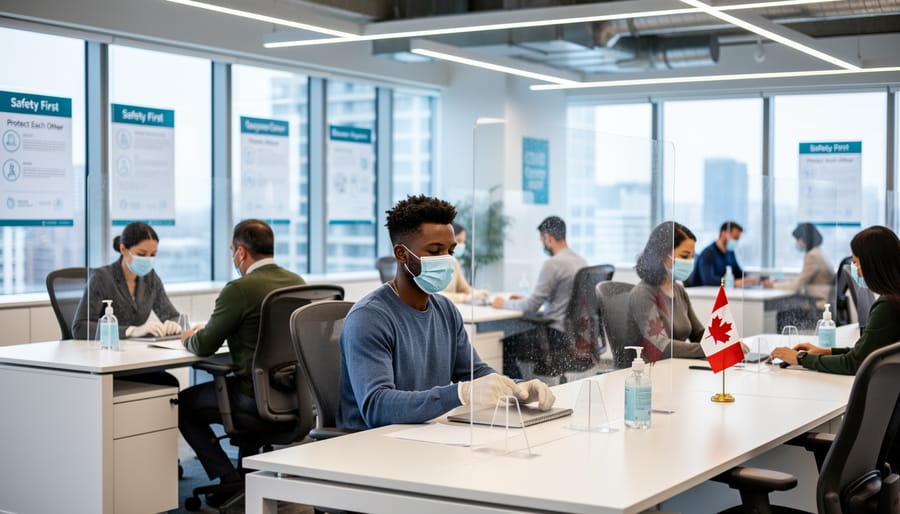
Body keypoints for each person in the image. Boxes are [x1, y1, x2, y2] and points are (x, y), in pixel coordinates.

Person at [338, 195, 555, 431]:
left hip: (423, 433)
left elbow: (475, 373)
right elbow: (377, 407)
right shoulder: (369, 318)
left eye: (450, 251)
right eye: (434, 251)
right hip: (370, 445)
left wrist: (518, 389)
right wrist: (460, 393)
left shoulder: (445, 310)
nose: (446, 260)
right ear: (401, 254)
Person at [177, 219, 306, 504]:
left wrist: (188, 336)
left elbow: (206, 344)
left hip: (253, 397)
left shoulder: (239, 289)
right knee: (237, 385)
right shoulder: (297, 282)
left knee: (182, 405)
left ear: (240, 252)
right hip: (293, 394)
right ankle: (245, 475)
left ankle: (229, 478)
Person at [771, 225, 900, 374]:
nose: (855, 270)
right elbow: (866, 352)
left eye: (857, 263)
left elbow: (854, 363)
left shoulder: (887, 305)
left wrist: (800, 358)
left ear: (873, 264)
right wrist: (825, 351)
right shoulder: (894, 298)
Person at [492, 215, 587, 378]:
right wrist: (524, 299)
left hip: (554, 336)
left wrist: (504, 303)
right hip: (575, 335)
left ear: (548, 238)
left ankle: (519, 391)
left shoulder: (553, 263)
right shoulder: (581, 262)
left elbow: (531, 306)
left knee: (504, 345)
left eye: (541, 240)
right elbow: (561, 298)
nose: (543, 244)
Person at [73, 221, 182, 341]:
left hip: (136, 350)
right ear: (124, 250)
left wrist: (173, 324)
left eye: (153, 255)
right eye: (142, 254)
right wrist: (130, 331)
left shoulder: (150, 278)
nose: (148, 260)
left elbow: (173, 316)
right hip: (104, 352)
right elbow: (80, 327)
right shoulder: (101, 278)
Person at [628, 221, 707, 362]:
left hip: (677, 368)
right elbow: (661, 347)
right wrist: (710, 348)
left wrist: (725, 342)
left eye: (692, 256)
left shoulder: (678, 290)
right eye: (684, 256)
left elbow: (698, 333)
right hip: (651, 372)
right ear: (662, 255)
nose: (690, 261)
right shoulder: (643, 294)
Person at [765, 223, 834, 325]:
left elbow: (797, 286)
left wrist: (773, 285)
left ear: (804, 238)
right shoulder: (819, 252)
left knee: (781, 315)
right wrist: (781, 282)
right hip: (820, 301)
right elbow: (801, 279)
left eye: (797, 239)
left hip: (817, 304)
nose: (797, 242)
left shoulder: (812, 255)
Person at [686, 221, 759, 288]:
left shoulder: (730, 253)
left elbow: (738, 272)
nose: (736, 241)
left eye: (737, 239)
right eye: (735, 238)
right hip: (704, 295)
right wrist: (732, 283)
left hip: (722, 291)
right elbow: (709, 280)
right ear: (724, 233)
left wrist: (750, 280)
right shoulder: (708, 253)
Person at [440, 221, 488, 304]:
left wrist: (478, 293)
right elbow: (436, 295)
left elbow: (464, 288)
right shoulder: (433, 264)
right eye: (458, 241)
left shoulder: (453, 262)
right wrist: (466, 298)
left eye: (463, 242)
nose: (461, 245)